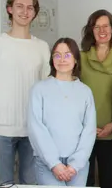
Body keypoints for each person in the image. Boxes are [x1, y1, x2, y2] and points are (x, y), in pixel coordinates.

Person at [0, 0, 50, 184]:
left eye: (30, 8)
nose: (24, 12)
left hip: (32, 131)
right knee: (4, 184)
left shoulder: (42, 47)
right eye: (19, 6)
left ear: (35, 12)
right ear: (10, 9)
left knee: (31, 183)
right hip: (1, 131)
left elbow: (47, 93)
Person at [28, 38, 96, 186]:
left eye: (67, 55)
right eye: (57, 55)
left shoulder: (85, 91)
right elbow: (36, 129)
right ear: (52, 60)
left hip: (78, 166)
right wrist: (55, 164)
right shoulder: (39, 89)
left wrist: (75, 165)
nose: (62, 60)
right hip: (47, 164)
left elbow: (89, 130)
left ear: (76, 59)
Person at [80, 9, 112, 188]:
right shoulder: (79, 58)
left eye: (106, 26)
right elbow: (72, 97)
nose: (102, 30)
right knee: (83, 181)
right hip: (83, 133)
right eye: (97, 27)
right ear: (91, 30)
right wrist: (84, 125)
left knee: (109, 181)